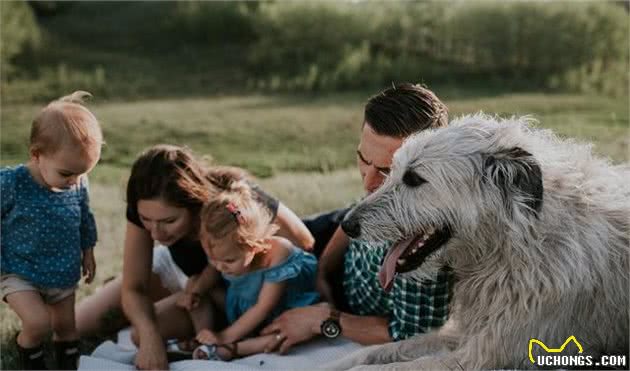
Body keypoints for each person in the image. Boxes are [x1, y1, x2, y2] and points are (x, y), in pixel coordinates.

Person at [76, 144, 314, 370]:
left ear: (195, 206)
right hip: (174, 267)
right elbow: (133, 286)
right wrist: (151, 340)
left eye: (169, 221)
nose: (156, 233)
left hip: (221, 288)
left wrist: (255, 264)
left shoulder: (230, 204)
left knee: (144, 330)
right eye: (146, 220)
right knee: (79, 324)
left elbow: (304, 242)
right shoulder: (149, 213)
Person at [261, 83, 453, 353]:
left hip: (348, 304)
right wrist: (322, 269)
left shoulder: (427, 241)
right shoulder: (377, 192)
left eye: (386, 171)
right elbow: (356, 210)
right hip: (334, 244)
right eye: (363, 159)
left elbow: (410, 334)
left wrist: (322, 320)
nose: (369, 181)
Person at [1, 91, 102, 370]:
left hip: (62, 271)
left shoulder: (78, 183)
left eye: (83, 173)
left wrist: (88, 250)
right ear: (37, 155)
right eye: (67, 173)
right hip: (19, 270)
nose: (75, 181)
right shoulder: (12, 183)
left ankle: (68, 364)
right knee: (38, 323)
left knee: (67, 327)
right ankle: (30, 356)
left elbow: (84, 217)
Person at [179, 174, 319, 361]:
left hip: (281, 309)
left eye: (228, 261)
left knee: (281, 334)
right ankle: (203, 340)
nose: (220, 267)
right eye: (212, 258)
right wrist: (195, 292)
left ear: (254, 246)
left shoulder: (279, 252)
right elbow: (211, 272)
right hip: (244, 302)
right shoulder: (220, 246)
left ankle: (232, 348)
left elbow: (263, 307)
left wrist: (224, 336)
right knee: (196, 286)